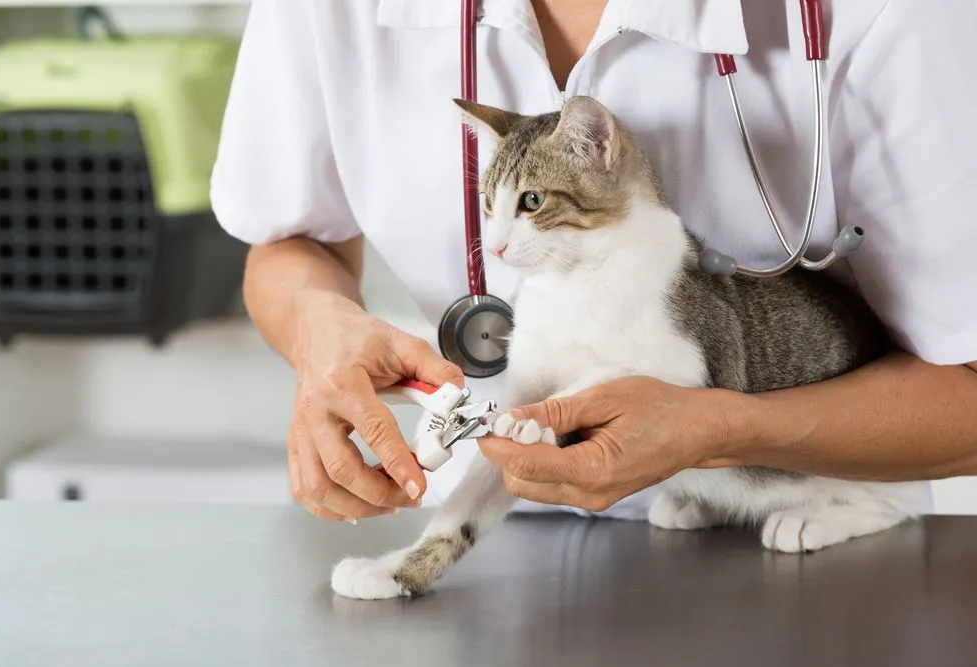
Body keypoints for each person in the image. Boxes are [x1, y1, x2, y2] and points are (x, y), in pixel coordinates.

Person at [210, 0, 977, 523]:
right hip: (493, 530)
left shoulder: (896, 14)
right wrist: (319, 330)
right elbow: (290, 242)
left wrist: (722, 429)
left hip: (798, 528)